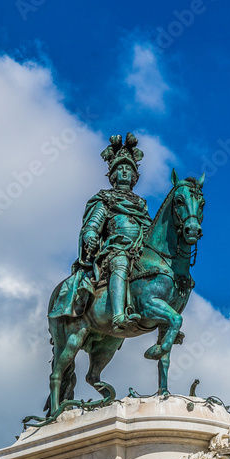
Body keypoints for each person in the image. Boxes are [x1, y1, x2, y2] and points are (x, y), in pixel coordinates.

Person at [49, 133, 152, 331]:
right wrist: (90, 237)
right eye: (120, 168)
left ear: (134, 176)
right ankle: (118, 316)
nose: (124, 172)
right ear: (113, 175)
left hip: (138, 251)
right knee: (120, 262)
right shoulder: (105, 198)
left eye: (128, 169)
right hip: (114, 250)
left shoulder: (141, 204)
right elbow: (92, 225)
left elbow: (148, 229)